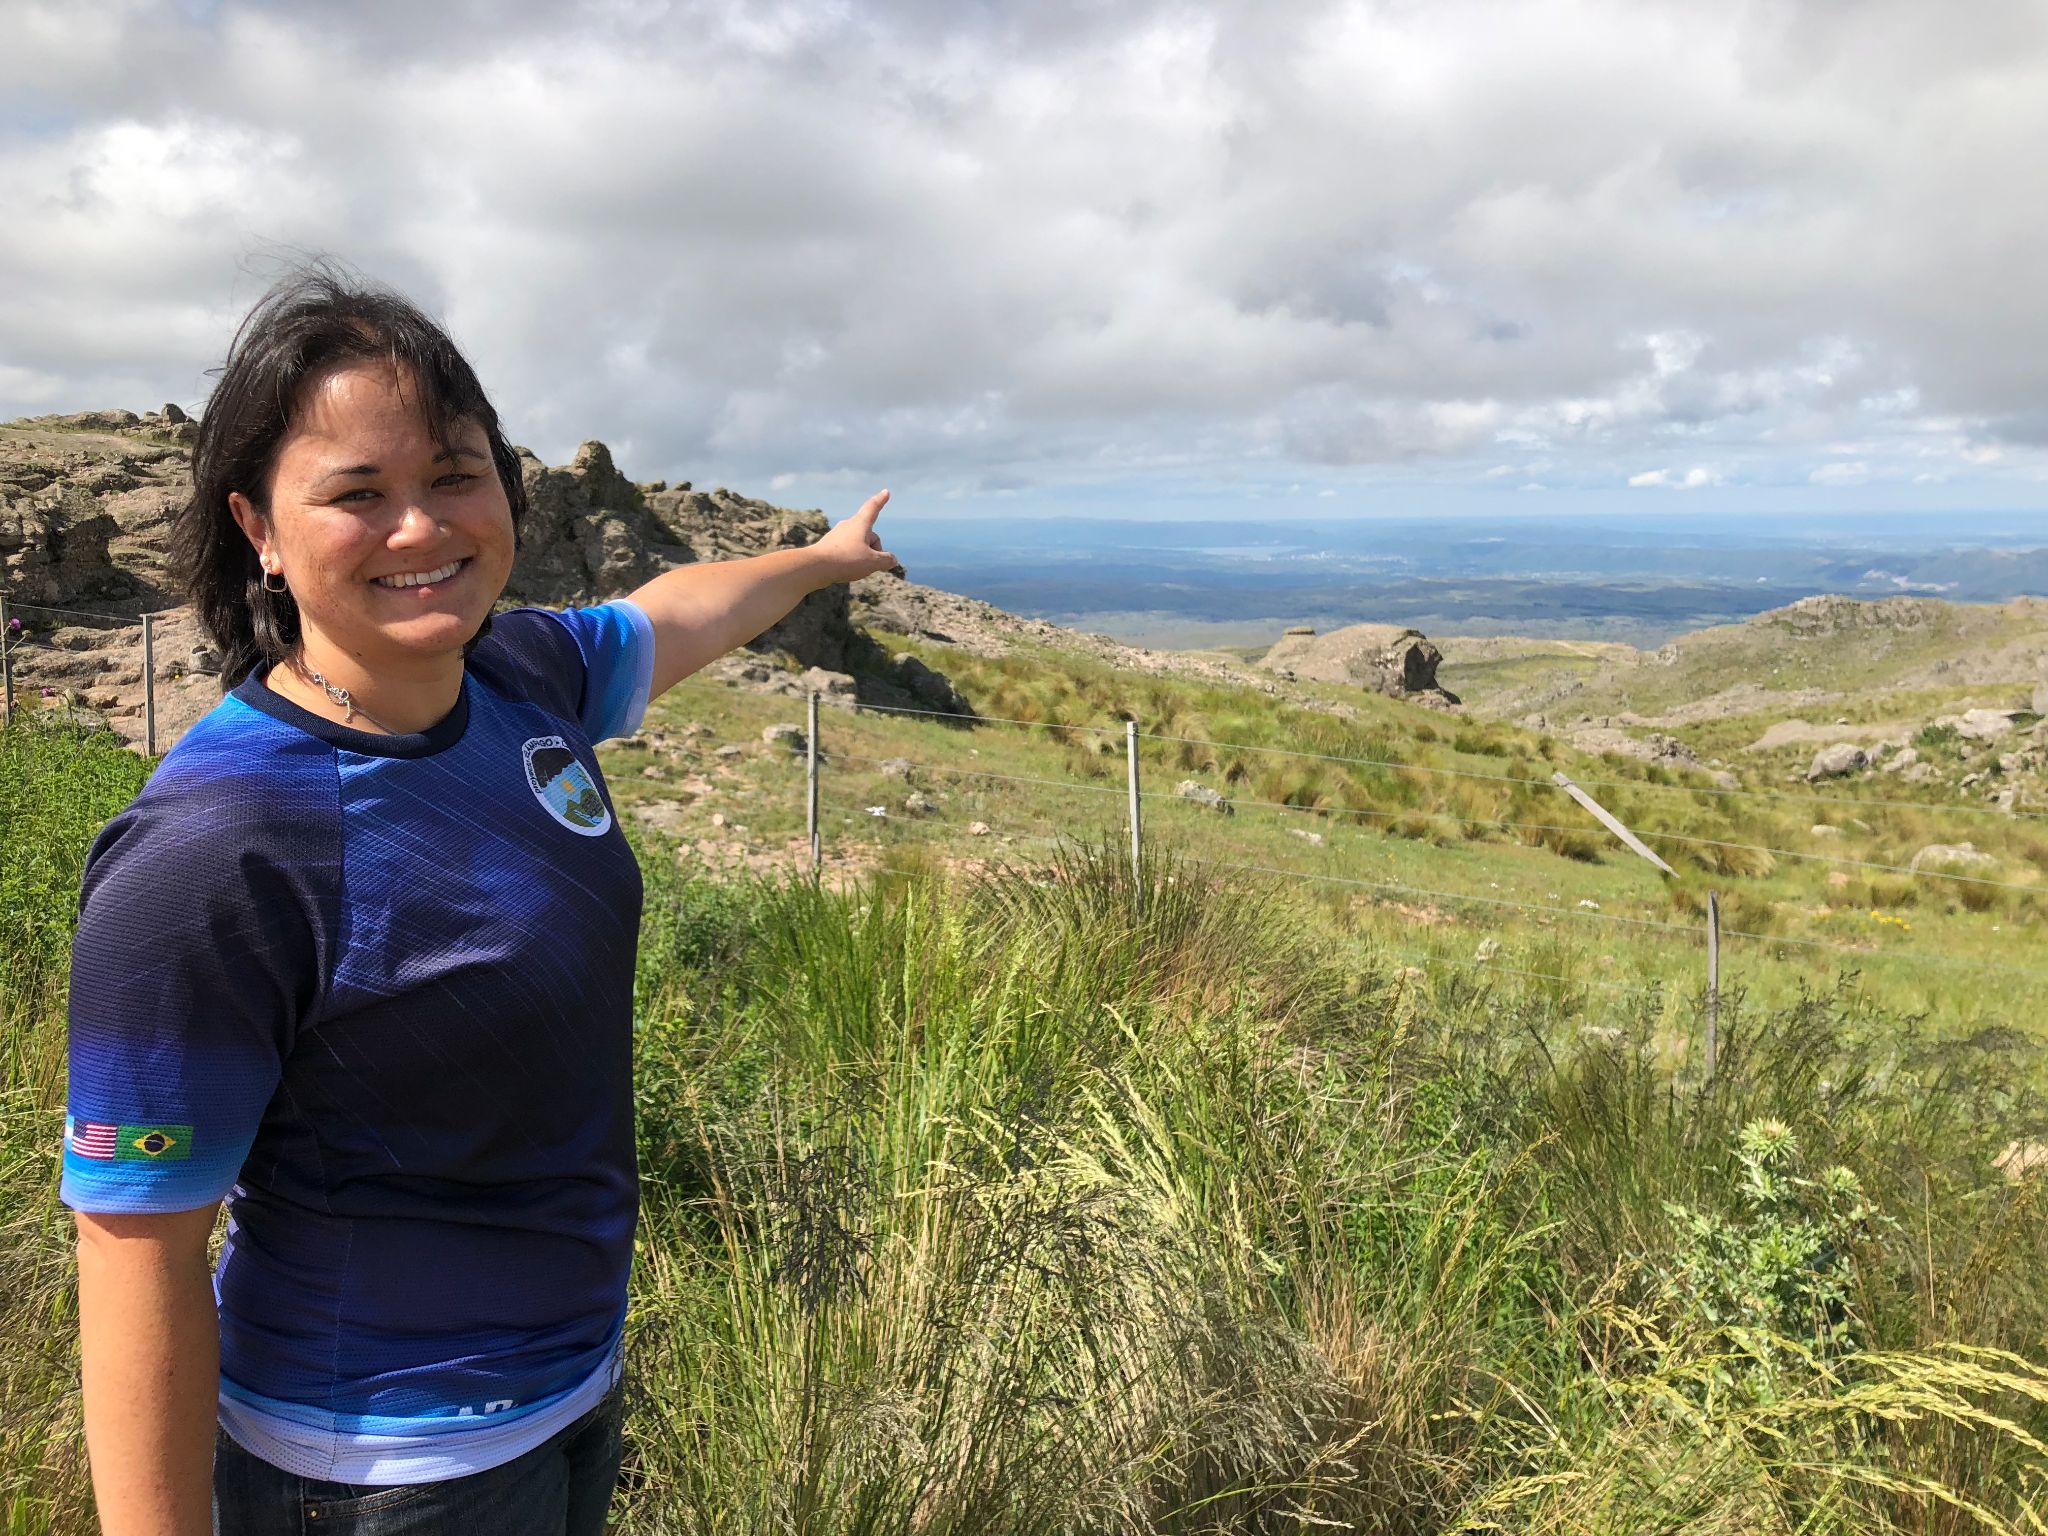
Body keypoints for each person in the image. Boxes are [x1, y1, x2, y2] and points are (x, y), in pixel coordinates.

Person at [59, 267, 898, 1535]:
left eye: (453, 475)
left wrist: (819, 559)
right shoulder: (219, 843)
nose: (420, 527)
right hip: (372, 1469)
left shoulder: (510, 671)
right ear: (261, 530)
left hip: (565, 1391)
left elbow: (669, 616)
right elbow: (135, 1248)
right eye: (358, 493)